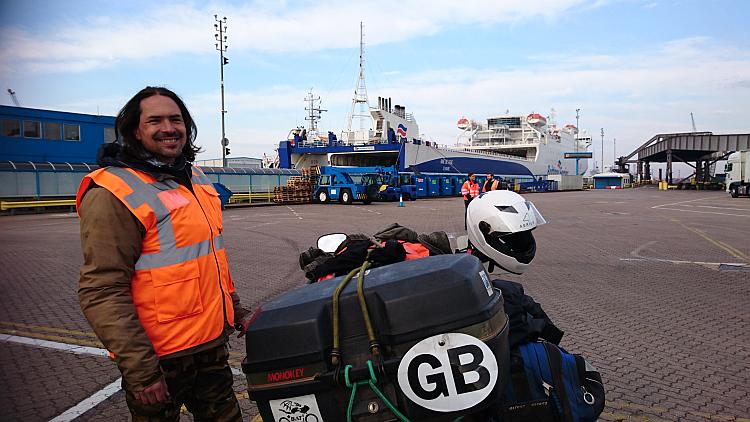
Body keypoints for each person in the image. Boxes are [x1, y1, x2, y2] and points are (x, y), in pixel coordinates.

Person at [77, 86, 251, 421]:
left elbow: (207, 259)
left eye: (176, 119)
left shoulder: (193, 177)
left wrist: (235, 308)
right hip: (160, 360)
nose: (168, 127)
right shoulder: (114, 191)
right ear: (135, 130)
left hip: (210, 348)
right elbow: (102, 289)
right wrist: (141, 370)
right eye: (155, 120)